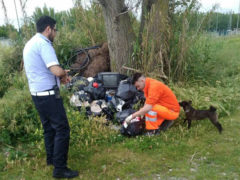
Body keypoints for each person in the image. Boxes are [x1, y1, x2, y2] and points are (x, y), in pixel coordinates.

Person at [23, 16, 78, 178]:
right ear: (48, 29)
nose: (55, 33)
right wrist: (62, 74)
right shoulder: (44, 44)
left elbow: (42, 69)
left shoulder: (30, 43)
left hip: (37, 94)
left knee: (48, 128)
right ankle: (59, 169)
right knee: (62, 129)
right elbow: (55, 70)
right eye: (55, 30)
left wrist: (59, 74)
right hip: (48, 95)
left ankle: (51, 159)